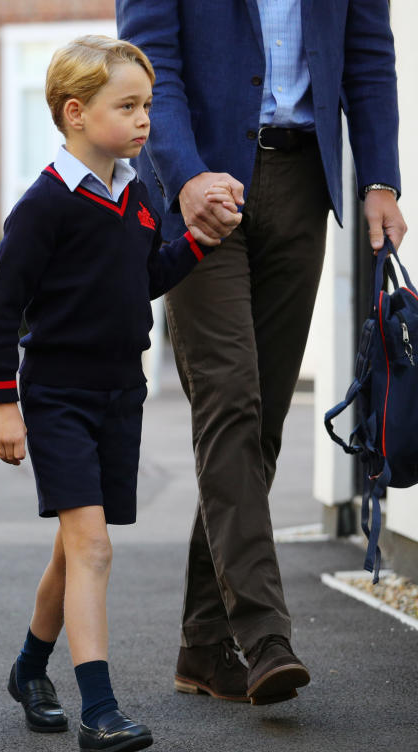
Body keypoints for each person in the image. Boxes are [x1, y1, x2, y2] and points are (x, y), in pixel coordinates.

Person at [116, 0, 407, 706]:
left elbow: (369, 57)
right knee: (230, 403)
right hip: (200, 188)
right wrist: (183, 176)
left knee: (262, 421)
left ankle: (202, 646)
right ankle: (266, 634)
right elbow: (154, 66)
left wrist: (379, 180)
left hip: (304, 183)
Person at [0, 36, 238, 752]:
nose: (144, 119)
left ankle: (29, 668)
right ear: (75, 114)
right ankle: (100, 708)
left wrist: (198, 241)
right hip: (57, 394)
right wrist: (5, 403)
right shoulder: (43, 204)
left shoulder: (140, 194)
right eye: (127, 106)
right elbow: (3, 311)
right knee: (92, 546)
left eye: (147, 105)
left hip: (120, 393)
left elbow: (143, 278)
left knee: (76, 548)